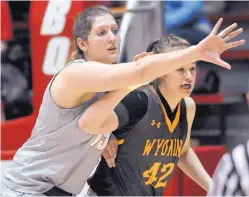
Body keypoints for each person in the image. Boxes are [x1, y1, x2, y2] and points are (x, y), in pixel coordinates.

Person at [1, 4, 245, 196]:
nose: (112, 38)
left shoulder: (110, 87)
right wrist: (196, 51)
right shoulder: (75, 73)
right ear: (82, 44)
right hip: (26, 188)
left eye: (115, 31)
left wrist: (109, 135)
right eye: (101, 33)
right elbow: (133, 79)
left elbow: (105, 114)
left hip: (61, 191)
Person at [85, 35, 210, 196]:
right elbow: (88, 122)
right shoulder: (139, 101)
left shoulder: (187, 107)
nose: (188, 76)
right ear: (160, 72)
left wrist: (213, 188)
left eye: (192, 68)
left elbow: (183, 152)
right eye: (180, 69)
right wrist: (103, 135)